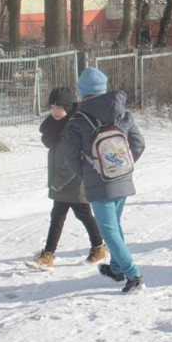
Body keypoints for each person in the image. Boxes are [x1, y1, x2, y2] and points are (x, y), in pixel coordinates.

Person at [64, 67, 147, 293]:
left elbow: (70, 157)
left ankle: (133, 275)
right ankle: (117, 268)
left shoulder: (77, 120)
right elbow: (138, 145)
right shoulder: (123, 114)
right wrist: (121, 167)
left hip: (98, 183)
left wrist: (89, 173)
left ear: (81, 92)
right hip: (122, 178)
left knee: (108, 231)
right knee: (114, 226)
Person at [26, 87, 108, 270]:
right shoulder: (56, 125)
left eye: (59, 107)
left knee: (65, 215)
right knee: (78, 214)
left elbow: (73, 160)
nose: (55, 111)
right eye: (52, 106)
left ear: (68, 107)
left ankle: (49, 255)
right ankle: (98, 247)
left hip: (73, 180)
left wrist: (58, 182)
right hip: (63, 180)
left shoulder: (72, 127)